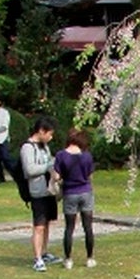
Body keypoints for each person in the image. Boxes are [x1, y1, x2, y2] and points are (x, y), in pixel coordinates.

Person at [54, 127, 97, 269]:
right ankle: (90, 258)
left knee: (69, 228)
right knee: (88, 227)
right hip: (85, 192)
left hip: (70, 193)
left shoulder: (61, 155)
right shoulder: (86, 156)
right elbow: (90, 176)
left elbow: (56, 176)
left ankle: (68, 259)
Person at [20, 116, 59, 270]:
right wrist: (48, 166)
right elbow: (29, 170)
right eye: (49, 133)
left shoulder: (44, 147)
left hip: (48, 190)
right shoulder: (28, 147)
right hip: (37, 191)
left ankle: (44, 252)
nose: (50, 137)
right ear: (41, 131)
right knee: (39, 226)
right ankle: (37, 258)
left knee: (47, 223)